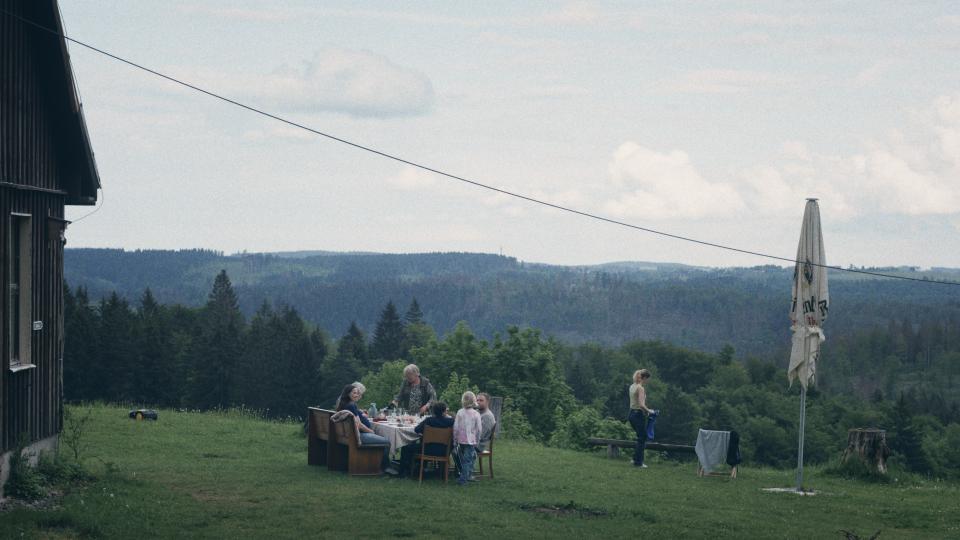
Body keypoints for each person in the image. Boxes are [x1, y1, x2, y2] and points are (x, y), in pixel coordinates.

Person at [335, 384, 394, 473]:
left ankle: (379, 464)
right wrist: (370, 431)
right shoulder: (351, 405)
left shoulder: (345, 404)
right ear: (348, 394)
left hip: (352, 434)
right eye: (354, 393)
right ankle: (385, 467)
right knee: (386, 442)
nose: (356, 395)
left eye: (357, 393)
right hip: (358, 435)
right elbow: (358, 424)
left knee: (380, 437)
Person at [398, 401, 454, 476]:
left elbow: (416, 429)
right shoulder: (451, 421)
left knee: (406, 448)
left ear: (433, 411)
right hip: (444, 451)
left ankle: (403, 472)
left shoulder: (429, 420)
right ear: (444, 411)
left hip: (427, 450)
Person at [453, 391, 482, 486]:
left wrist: (455, 439)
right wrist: (477, 440)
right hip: (471, 441)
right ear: (474, 401)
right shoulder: (476, 414)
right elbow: (479, 429)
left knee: (464, 459)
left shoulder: (460, 412)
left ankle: (465, 475)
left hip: (460, 440)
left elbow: (456, 427)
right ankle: (463, 480)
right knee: (468, 460)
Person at [629, 369, 656, 468]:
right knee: (642, 438)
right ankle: (638, 462)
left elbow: (635, 402)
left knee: (640, 437)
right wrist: (650, 411)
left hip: (631, 414)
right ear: (644, 378)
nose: (648, 381)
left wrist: (646, 411)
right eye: (648, 379)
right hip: (638, 415)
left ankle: (635, 459)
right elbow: (641, 404)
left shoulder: (632, 386)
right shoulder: (640, 388)